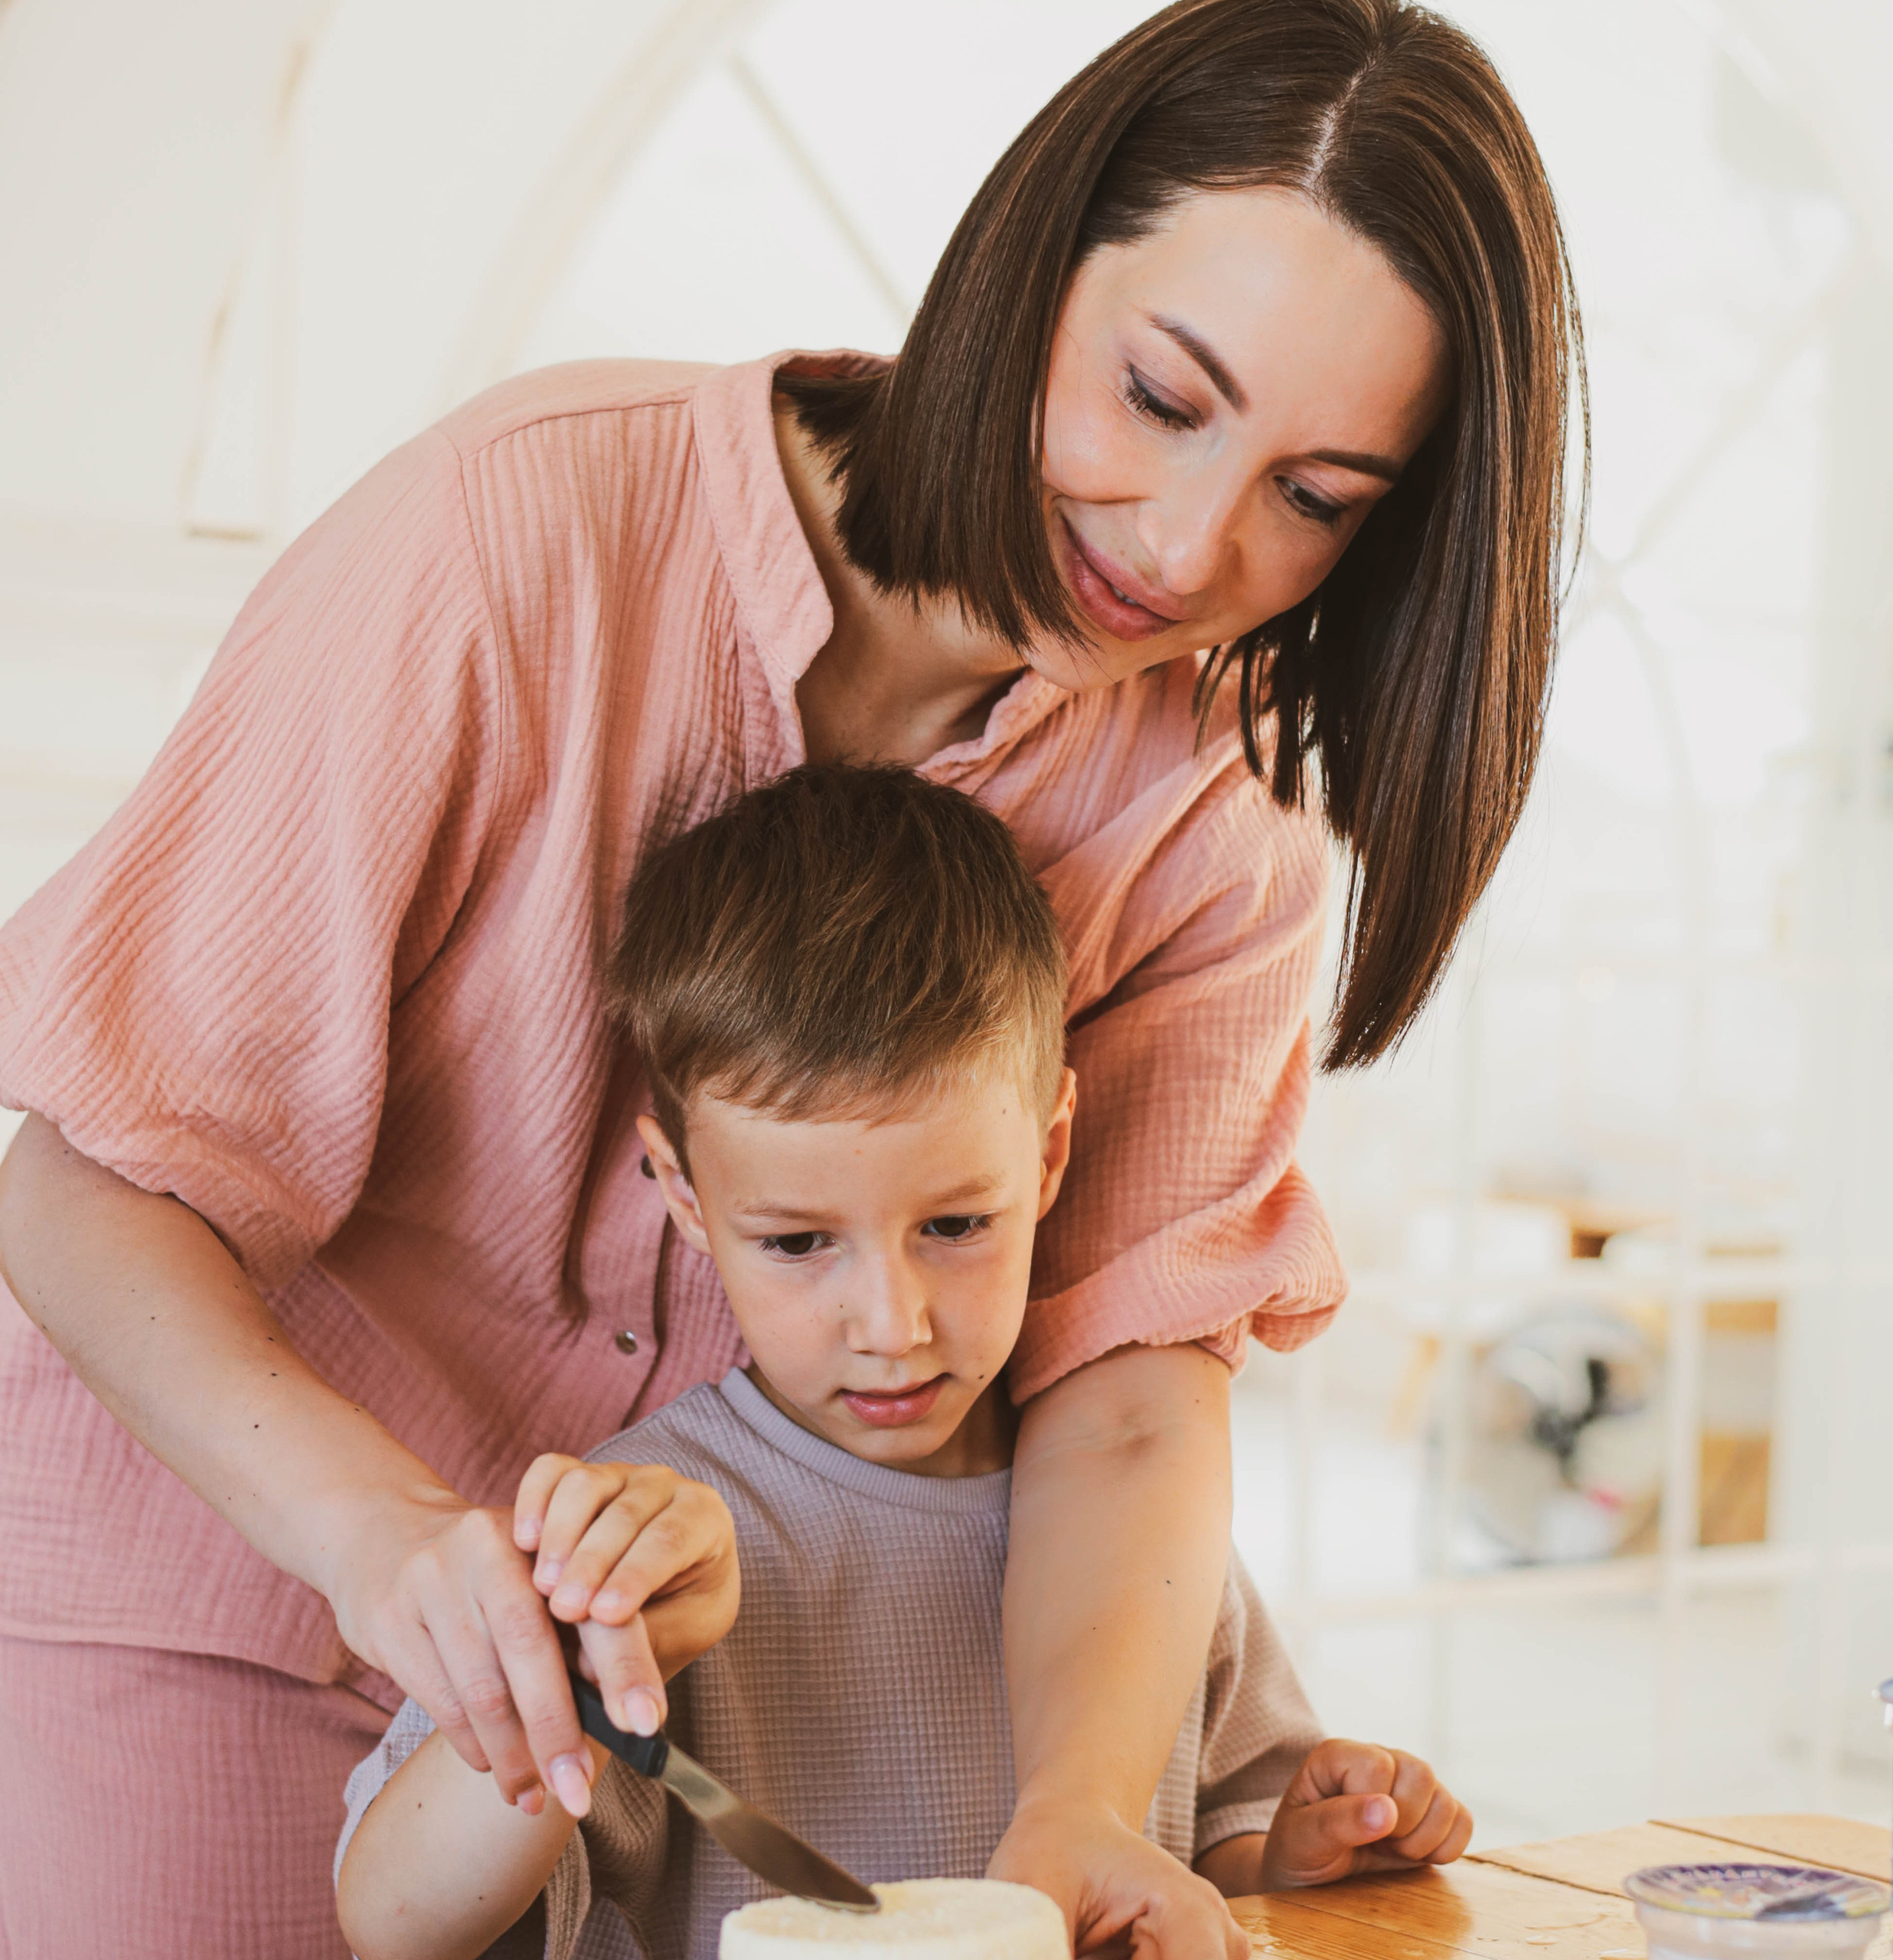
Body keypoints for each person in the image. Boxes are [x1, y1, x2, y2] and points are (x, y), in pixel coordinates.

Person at [0, 2, 1577, 1953]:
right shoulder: (521, 534)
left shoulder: (1211, 819)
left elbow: (1130, 1385)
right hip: (221, 1595)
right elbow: (84, 1176)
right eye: (1161, 399)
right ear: (1032, 254)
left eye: (1317, 498)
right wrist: (391, 1545)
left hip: (685, 1724)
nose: (1186, 545)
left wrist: (1076, 1803)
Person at [334, 764, 1472, 1960]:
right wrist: (577, 1664)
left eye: (955, 1226)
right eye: (797, 1243)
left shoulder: (1131, 1531)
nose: (892, 1322)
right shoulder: (636, 1541)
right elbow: (396, 1920)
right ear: (682, 1191)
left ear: (1048, 1156)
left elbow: (1206, 1848)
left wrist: (1293, 1862)